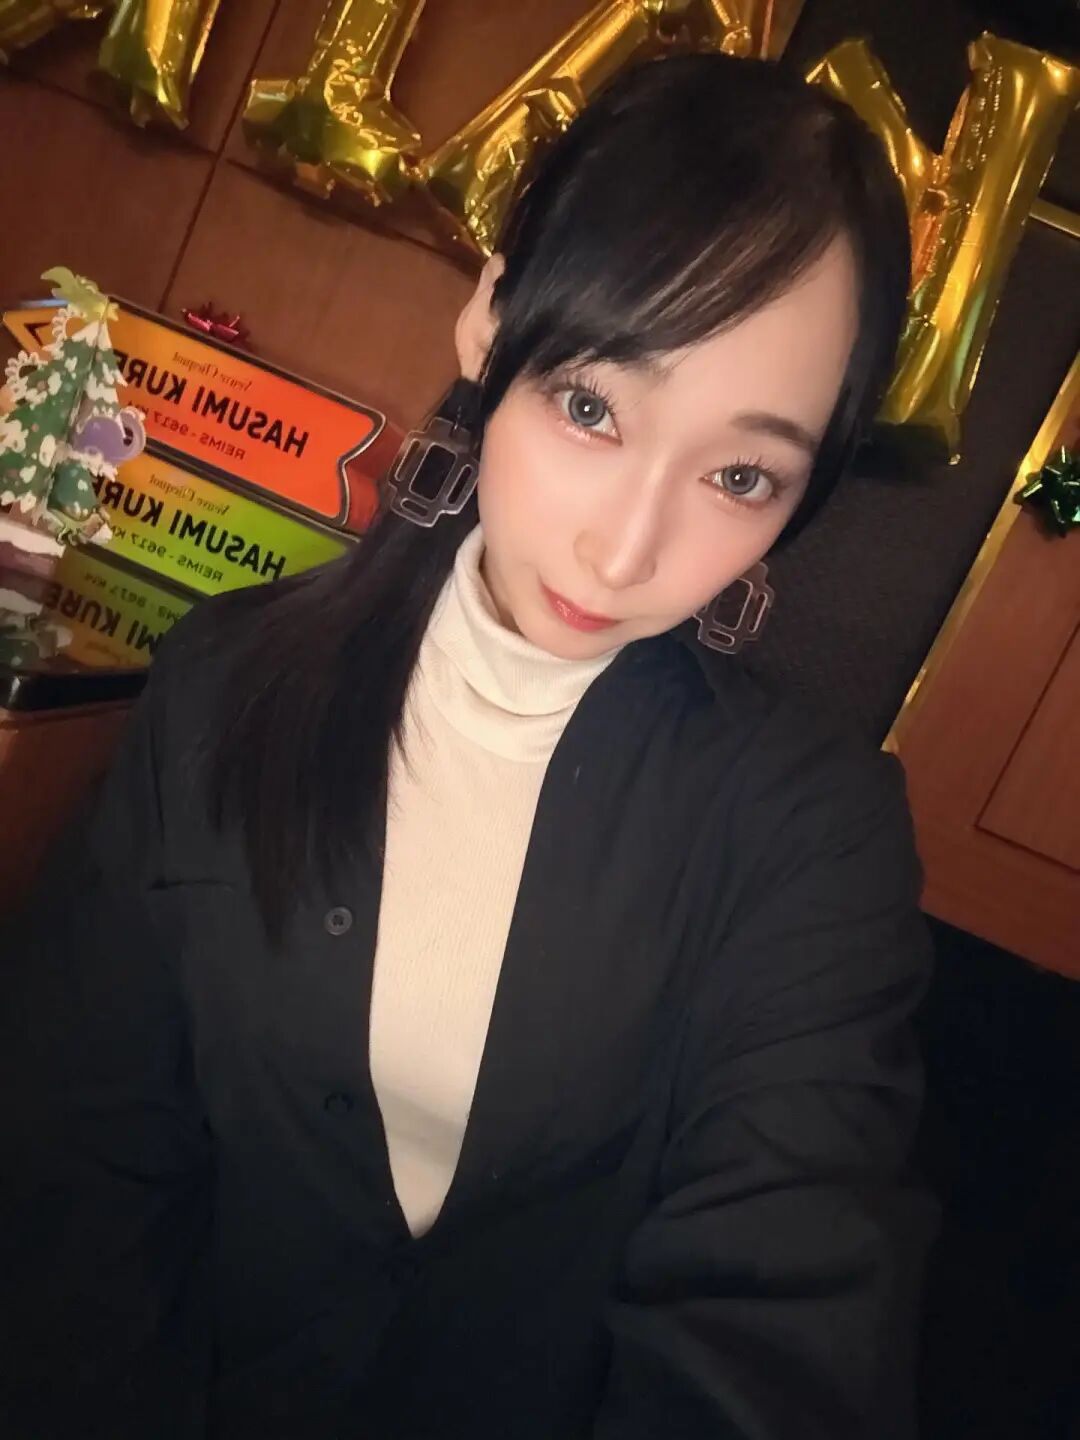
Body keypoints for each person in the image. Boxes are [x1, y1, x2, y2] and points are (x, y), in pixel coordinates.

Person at [1, 50, 935, 1440]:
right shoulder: (227, 684)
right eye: (593, 406)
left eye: (741, 475)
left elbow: (777, 1331)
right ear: (492, 321)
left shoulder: (811, 837)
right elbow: (74, 1164)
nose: (626, 550)